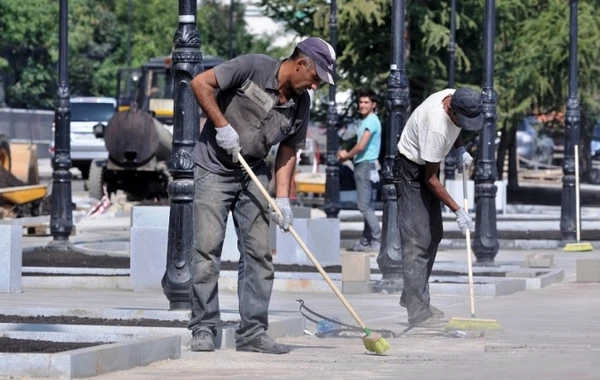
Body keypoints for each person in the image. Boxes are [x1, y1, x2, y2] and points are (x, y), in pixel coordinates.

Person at [187, 37, 336, 354]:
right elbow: (200, 83)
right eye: (315, 77)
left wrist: (282, 199)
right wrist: (222, 126)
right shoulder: (251, 66)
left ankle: (252, 332)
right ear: (300, 64)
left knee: (258, 254)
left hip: (253, 170)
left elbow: (289, 150)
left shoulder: (300, 103)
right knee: (206, 250)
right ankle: (203, 327)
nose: (315, 86)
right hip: (213, 168)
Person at [396, 87, 481, 328]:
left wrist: (459, 148)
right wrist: (458, 210)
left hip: (427, 168)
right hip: (412, 171)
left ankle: (412, 295)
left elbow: (457, 128)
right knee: (417, 240)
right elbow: (430, 179)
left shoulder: (456, 96)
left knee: (434, 234)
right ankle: (418, 311)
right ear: (451, 110)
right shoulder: (436, 126)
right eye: (461, 120)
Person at [337, 89, 382, 252]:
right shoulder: (368, 121)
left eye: (366, 102)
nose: (362, 105)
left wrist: (345, 156)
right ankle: (366, 240)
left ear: (374, 105)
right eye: (361, 102)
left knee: (364, 206)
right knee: (367, 205)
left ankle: (378, 239)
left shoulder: (371, 121)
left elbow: (361, 146)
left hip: (364, 165)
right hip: (366, 166)